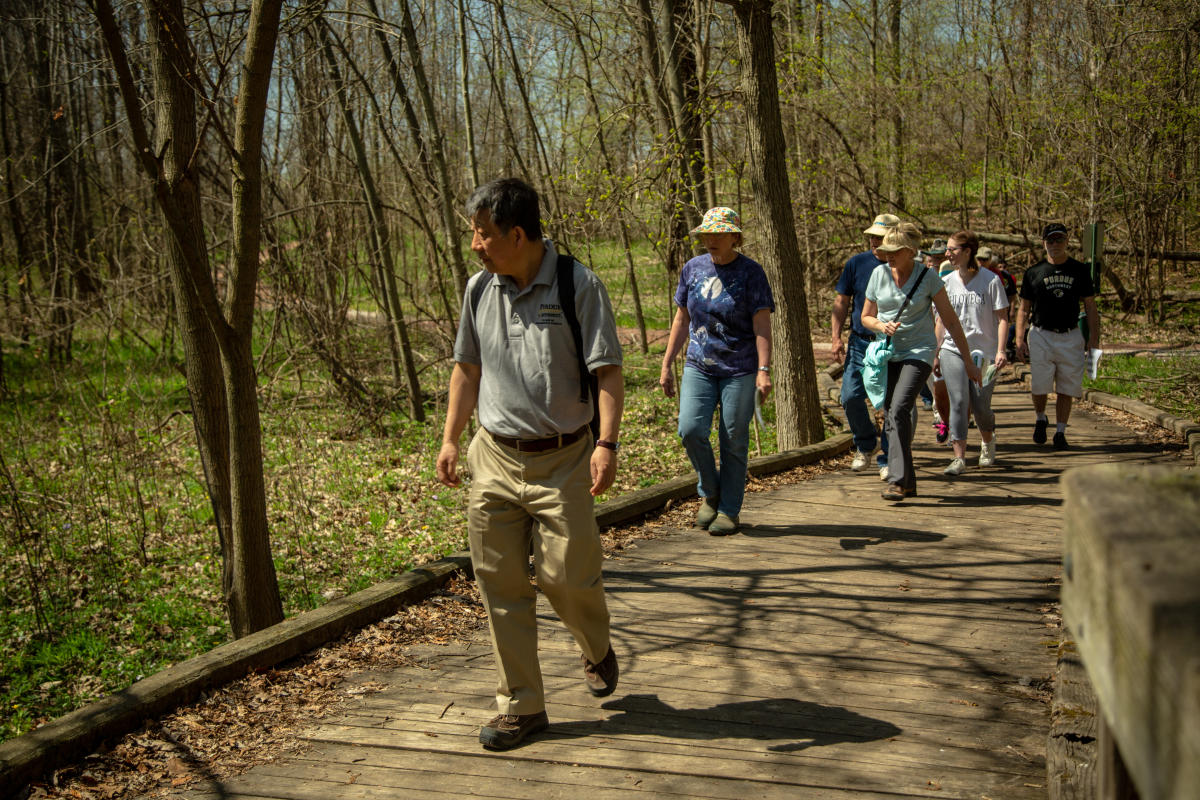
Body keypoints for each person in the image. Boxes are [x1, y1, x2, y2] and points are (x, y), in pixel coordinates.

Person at [436, 178, 624, 750]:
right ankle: (522, 706)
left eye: (483, 233)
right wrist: (449, 439)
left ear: (516, 234)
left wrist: (606, 444)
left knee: (567, 576)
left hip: (564, 458)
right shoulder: (478, 290)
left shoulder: (577, 285)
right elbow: (467, 369)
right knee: (500, 584)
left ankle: (595, 646)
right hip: (493, 456)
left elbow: (608, 372)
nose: (475, 244)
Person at [660, 207, 774, 536]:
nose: (710, 239)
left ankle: (728, 508)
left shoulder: (752, 273)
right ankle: (710, 490)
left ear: (734, 237)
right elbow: (682, 319)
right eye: (706, 234)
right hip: (699, 364)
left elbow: (762, 325)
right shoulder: (692, 269)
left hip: (740, 368)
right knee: (690, 429)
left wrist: (763, 370)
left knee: (733, 439)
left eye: (718, 234)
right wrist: (667, 363)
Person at [861, 223, 980, 501]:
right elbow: (865, 316)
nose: (887, 254)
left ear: (911, 252)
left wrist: (968, 361)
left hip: (920, 351)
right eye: (885, 250)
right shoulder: (878, 275)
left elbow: (950, 320)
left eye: (895, 250)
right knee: (891, 412)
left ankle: (897, 479)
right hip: (889, 352)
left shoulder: (928, 277)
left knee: (900, 406)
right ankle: (908, 482)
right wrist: (880, 325)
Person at [1015, 223, 1100, 449]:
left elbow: (1090, 307)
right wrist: (1019, 339)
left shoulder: (1080, 270)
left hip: (1070, 334)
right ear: (1044, 243)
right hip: (1041, 334)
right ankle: (1040, 417)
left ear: (1066, 242)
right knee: (1040, 386)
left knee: (1066, 386)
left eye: (1059, 240)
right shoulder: (1034, 272)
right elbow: (1023, 309)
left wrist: (1094, 339)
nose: (1055, 245)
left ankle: (1061, 432)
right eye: (1050, 241)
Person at [933, 230, 1009, 475]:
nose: (948, 254)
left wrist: (1000, 350)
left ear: (967, 251)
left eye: (952, 249)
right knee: (959, 401)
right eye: (947, 249)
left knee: (980, 406)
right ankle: (959, 458)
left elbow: (1002, 319)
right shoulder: (946, 282)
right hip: (952, 350)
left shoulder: (990, 280)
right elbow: (941, 322)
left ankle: (987, 441)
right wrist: (936, 353)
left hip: (984, 353)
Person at [831, 213, 900, 479]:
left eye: (880, 237)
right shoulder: (856, 263)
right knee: (849, 396)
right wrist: (836, 337)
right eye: (872, 236)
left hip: (893, 344)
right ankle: (865, 444)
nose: (874, 241)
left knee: (892, 404)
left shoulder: (905, 267)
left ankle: (887, 457)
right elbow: (841, 302)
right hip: (860, 343)